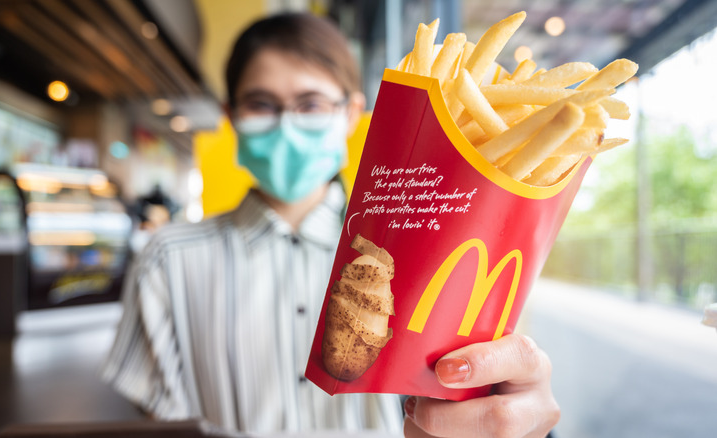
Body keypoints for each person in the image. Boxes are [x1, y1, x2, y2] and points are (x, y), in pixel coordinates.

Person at [102, 12, 559, 437]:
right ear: (231, 117)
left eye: (310, 103)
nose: (286, 124)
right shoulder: (167, 259)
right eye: (261, 104)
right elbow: (155, 417)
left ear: (349, 113)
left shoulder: (433, 256)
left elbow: (474, 400)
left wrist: (509, 414)